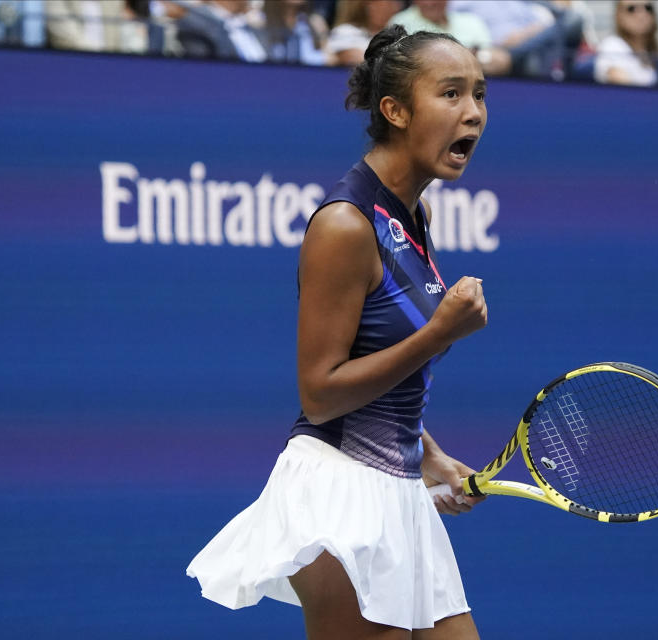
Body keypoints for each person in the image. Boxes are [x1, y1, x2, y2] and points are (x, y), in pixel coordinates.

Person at [187, 24, 489, 640]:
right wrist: (438, 333)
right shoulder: (345, 226)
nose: (475, 115)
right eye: (451, 94)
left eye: (480, 95)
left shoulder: (414, 214)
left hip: (399, 487)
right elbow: (320, 391)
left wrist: (428, 455)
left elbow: (376, 360)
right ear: (396, 110)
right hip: (339, 491)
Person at [388, 0, 511, 75]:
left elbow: (501, 61)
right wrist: (470, 55)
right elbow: (397, 64)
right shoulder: (400, 22)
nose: (430, 3)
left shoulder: (471, 21)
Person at [594, 0, 658, 86]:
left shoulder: (657, 57)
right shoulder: (612, 45)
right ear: (619, 15)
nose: (641, 14)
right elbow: (628, 90)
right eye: (631, 9)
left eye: (648, 8)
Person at [327, 0, 404, 66]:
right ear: (367, 7)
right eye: (387, 4)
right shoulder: (345, 31)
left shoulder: (396, 33)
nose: (395, 8)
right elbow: (357, 59)